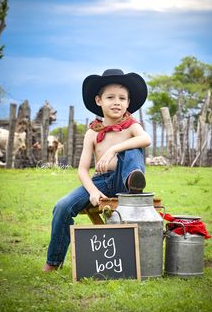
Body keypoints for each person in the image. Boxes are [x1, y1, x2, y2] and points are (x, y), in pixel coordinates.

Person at [42, 69, 151, 271]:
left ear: (128, 103)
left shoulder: (131, 126)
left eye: (122, 98)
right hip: (99, 181)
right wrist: (92, 191)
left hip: (122, 178)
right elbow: (82, 170)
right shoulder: (92, 132)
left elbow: (146, 139)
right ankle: (53, 262)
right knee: (62, 207)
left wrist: (114, 149)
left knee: (134, 147)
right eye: (110, 97)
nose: (117, 102)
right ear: (99, 100)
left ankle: (133, 183)